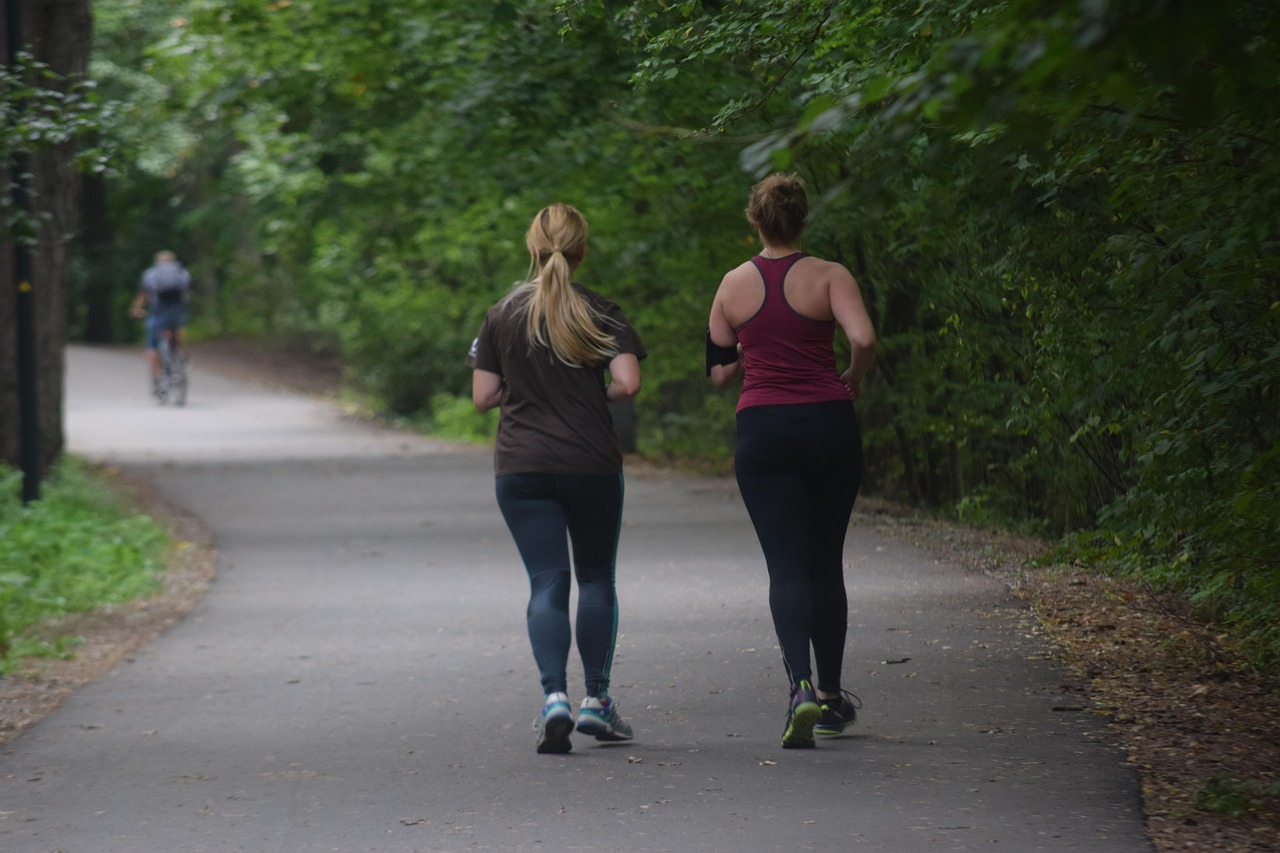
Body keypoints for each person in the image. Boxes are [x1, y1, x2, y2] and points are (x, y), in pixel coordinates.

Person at [706, 173, 877, 749]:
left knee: (785, 566)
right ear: (804, 218)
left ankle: (798, 688)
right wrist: (852, 374)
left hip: (764, 432)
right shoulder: (831, 276)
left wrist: (745, 355)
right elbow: (865, 338)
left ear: (754, 219)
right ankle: (830, 698)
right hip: (829, 426)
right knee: (826, 561)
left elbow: (720, 370)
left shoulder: (731, 285)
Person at [469, 203, 646, 754]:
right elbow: (628, 382)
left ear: (532, 248)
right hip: (591, 463)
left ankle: (554, 699)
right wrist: (592, 393)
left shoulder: (502, 313)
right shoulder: (601, 311)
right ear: (581, 250)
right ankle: (597, 700)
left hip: (522, 467)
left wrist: (524, 392)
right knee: (596, 578)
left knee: (548, 582)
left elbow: (483, 398)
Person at [129, 250, 191, 397]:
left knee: (152, 346)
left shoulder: (150, 274)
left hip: (157, 314)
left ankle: (158, 381)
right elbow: (186, 295)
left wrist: (136, 310)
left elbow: (143, 296)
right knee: (179, 328)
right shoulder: (182, 273)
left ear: (156, 262)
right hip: (176, 314)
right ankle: (182, 357)